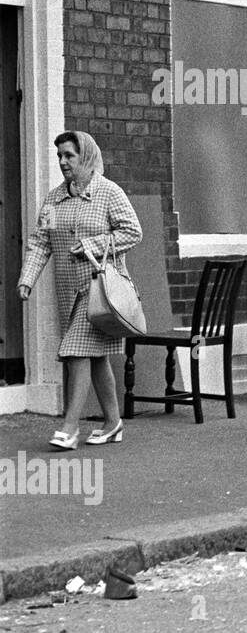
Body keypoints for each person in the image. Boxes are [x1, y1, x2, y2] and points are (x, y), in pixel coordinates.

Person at [17, 132, 142, 449]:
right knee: (95, 358)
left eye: (69, 155)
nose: (62, 162)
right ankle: (113, 423)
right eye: (59, 155)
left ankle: (70, 428)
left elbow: (132, 232)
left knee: (75, 351)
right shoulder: (54, 199)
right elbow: (40, 242)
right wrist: (27, 279)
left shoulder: (108, 192)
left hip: (100, 292)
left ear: (85, 157)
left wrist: (91, 244)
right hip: (68, 292)